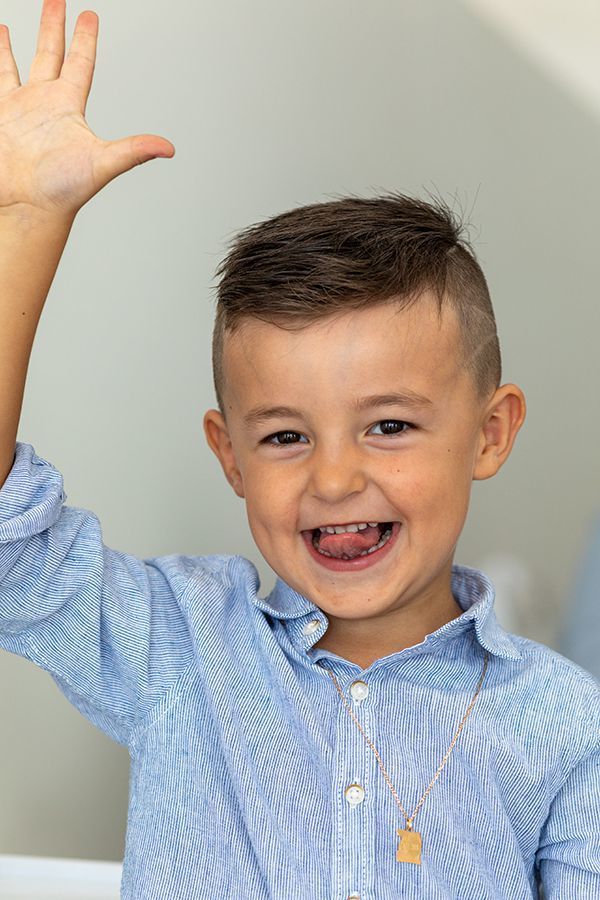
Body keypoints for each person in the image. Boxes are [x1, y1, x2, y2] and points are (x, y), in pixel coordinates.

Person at [0, 2, 598, 898]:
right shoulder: (181, 647)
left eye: (388, 425)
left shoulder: (563, 722)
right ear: (229, 455)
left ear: (490, 432)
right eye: (284, 436)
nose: (333, 477)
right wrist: (24, 226)